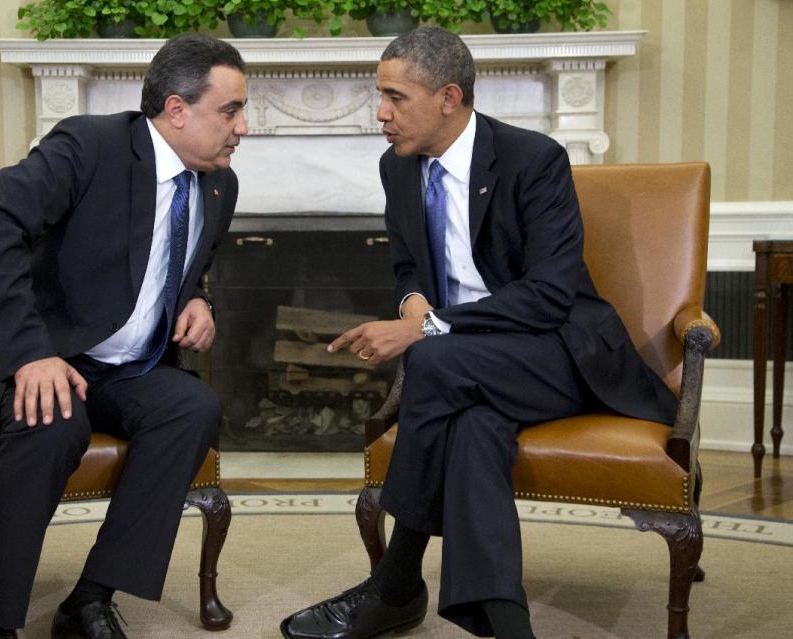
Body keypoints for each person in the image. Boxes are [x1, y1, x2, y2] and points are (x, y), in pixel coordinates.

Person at [280, 27, 677, 639]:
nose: (379, 113)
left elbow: (548, 295)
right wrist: (414, 307)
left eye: (394, 97)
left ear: (448, 96)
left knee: (436, 366)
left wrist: (427, 329)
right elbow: (408, 268)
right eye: (377, 95)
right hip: (469, 365)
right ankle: (505, 621)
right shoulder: (399, 167)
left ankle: (395, 585)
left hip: (558, 353)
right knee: (471, 429)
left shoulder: (533, 159)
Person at [0, 33, 248, 639]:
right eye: (230, 111)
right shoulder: (89, 145)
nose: (242, 128)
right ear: (178, 109)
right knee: (55, 420)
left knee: (192, 406)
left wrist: (198, 298)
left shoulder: (218, 184)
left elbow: (176, 261)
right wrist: (32, 355)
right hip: (36, 357)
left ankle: (89, 600)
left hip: (122, 369)